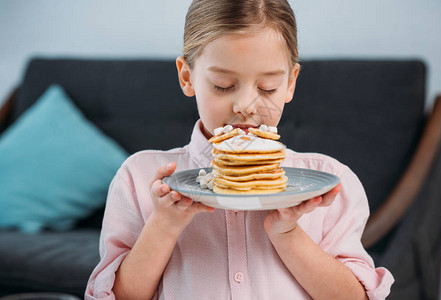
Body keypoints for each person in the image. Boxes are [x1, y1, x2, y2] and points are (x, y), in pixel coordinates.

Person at [85, 0, 394, 299]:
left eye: (267, 88)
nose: (246, 106)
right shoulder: (140, 179)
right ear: (187, 76)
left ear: (290, 83)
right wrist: (163, 226)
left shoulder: (329, 181)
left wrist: (288, 234)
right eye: (223, 85)